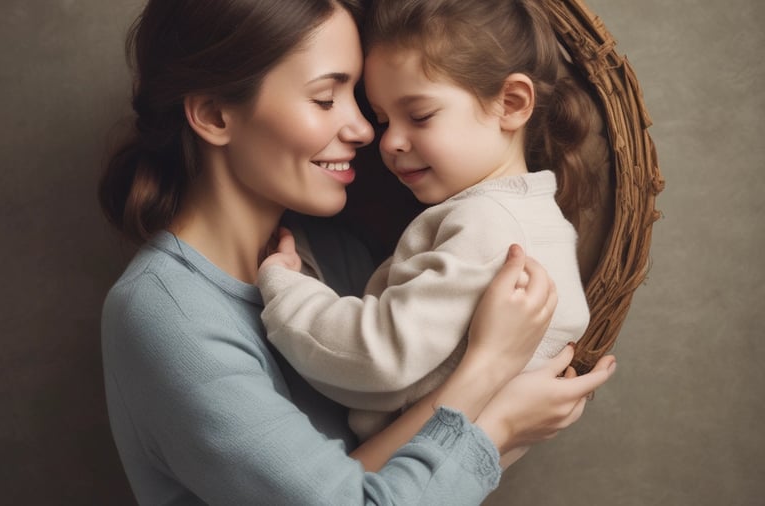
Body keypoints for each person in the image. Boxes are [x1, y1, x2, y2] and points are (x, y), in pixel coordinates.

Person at [98, 0, 616, 504]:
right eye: (326, 99)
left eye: (362, 105)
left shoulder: (340, 256)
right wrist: (490, 395)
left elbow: (362, 472)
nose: (367, 131)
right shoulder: (165, 313)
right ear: (214, 115)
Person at [259, 0, 596, 449]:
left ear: (511, 104)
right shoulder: (534, 218)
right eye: (383, 119)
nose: (391, 141)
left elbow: (378, 357)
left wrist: (285, 288)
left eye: (419, 116)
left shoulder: (487, 225)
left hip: (407, 469)